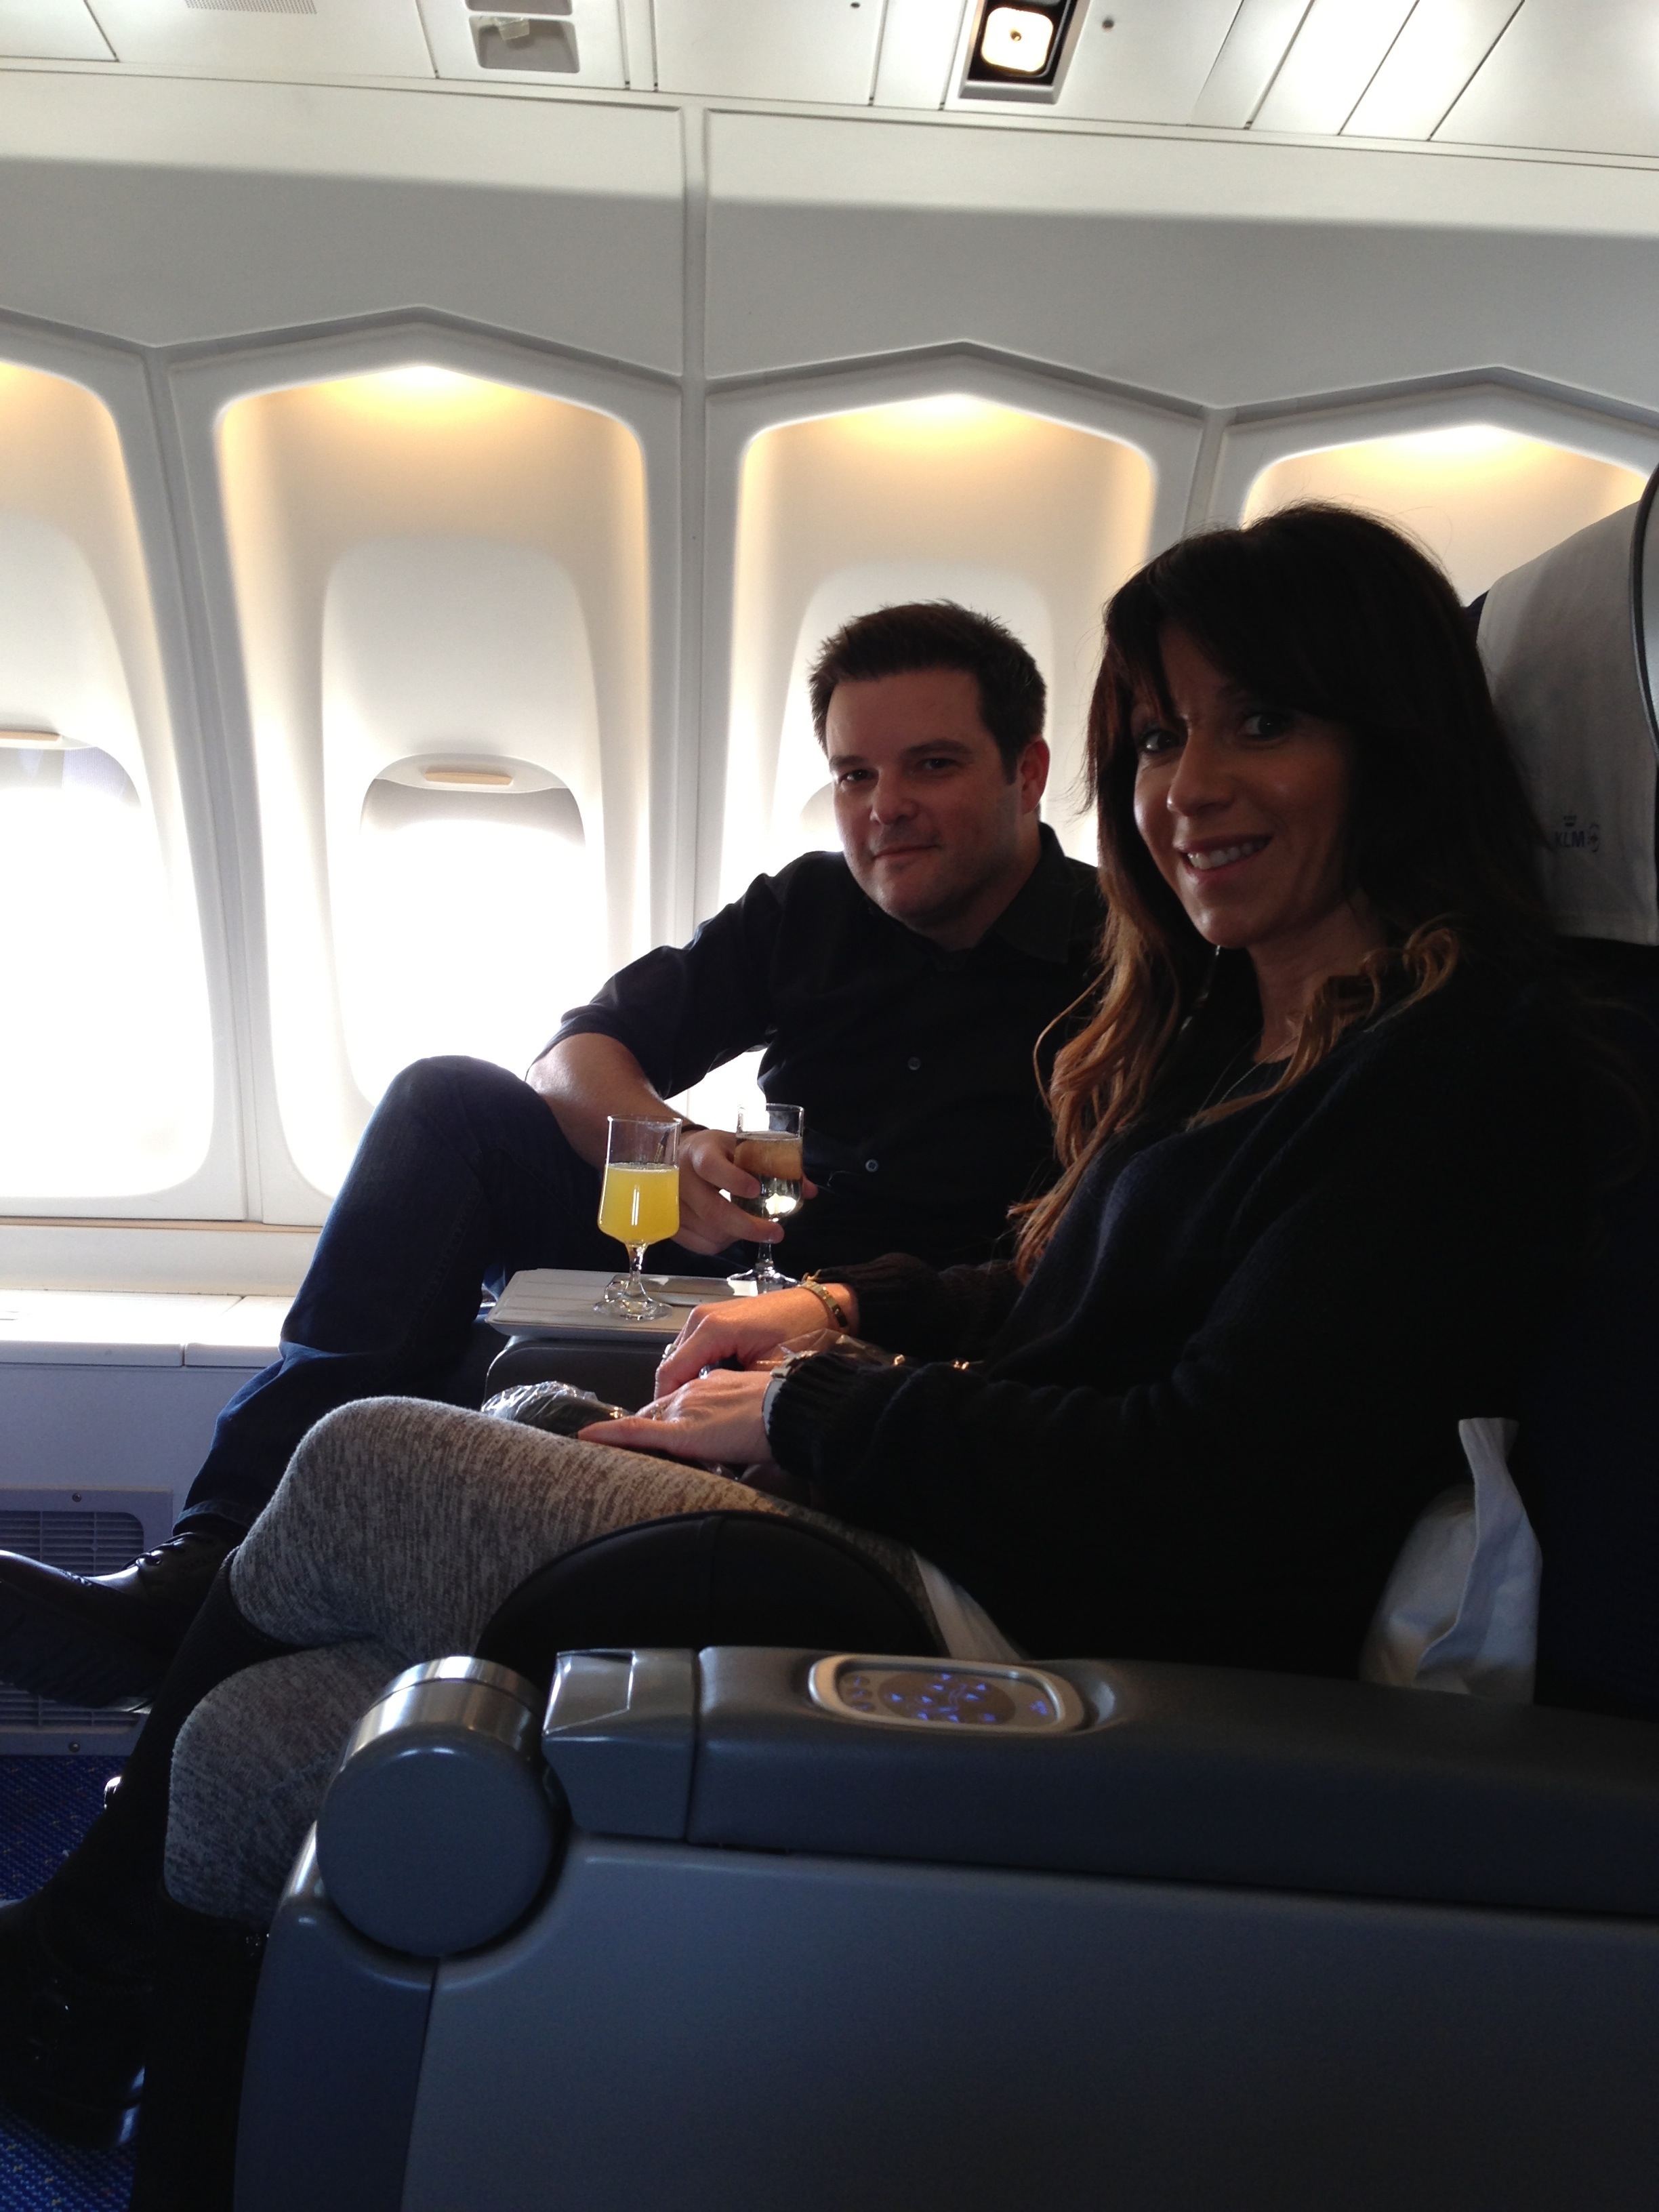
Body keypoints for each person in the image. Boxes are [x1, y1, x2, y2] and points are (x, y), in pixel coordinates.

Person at [0, 506, 1607, 2203]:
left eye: (1259, 722)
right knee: (278, 1721)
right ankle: (104, 2031)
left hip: (1038, 1638)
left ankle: (105, 1867)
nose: (1189, 787)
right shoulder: (1235, 1020)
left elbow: (1208, 1486)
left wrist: (820, 1410)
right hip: (969, 1520)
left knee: (371, 1461)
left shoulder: (1444, 1080)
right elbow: (1053, 1296)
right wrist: (835, 1318)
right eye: (1159, 738)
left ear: (1391, 736)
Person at [0, 600, 1101, 1714]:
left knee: (445, 1378)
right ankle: (208, 1561)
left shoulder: (1122, 958)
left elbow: (1081, 1268)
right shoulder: (811, 906)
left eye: (932, 766)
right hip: (751, 1260)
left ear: (1028, 771)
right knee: (447, 1105)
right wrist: (677, 1150)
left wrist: (851, 1310)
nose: (884, 808)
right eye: (855, 775)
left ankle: (277, 1621)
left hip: (917, 1325)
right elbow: (576, 1053)